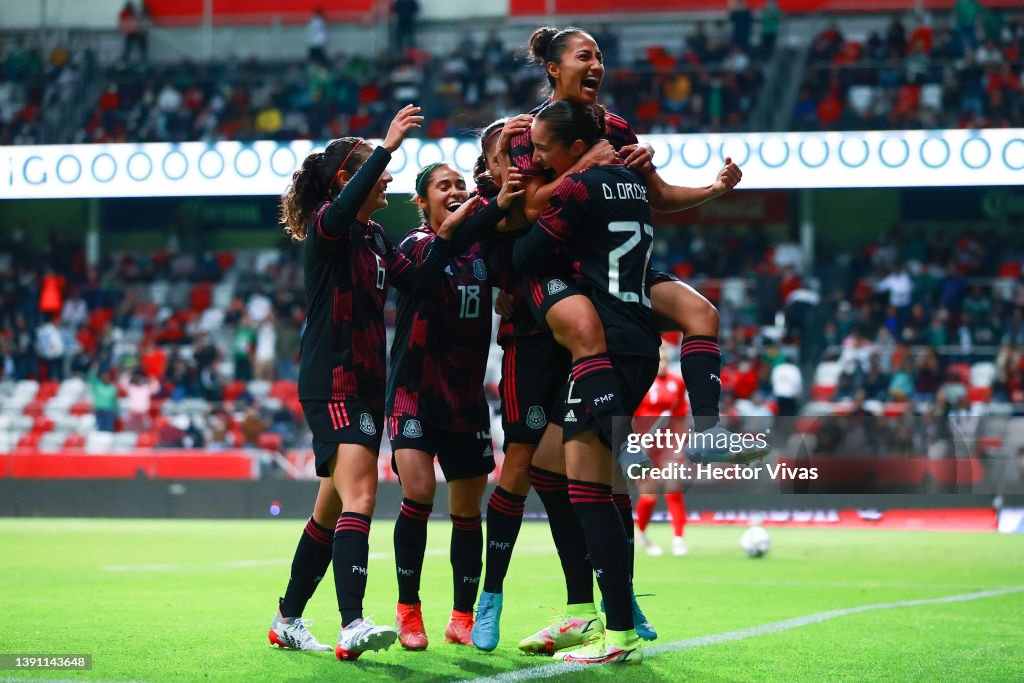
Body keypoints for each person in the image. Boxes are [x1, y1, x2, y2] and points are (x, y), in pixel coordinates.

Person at [268, 104, 484, 661]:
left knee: (327, 509)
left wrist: (450, 234)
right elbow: (339, 209)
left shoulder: (373, 239)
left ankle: (287, 617)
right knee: (361, 495)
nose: (387, 177)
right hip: (333, 381)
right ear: (348, 179)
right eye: (377, 170)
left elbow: (414, 278)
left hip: (364, 384)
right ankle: (353, 623)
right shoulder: (328, 227)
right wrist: (385, 145)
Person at [503, 26, 763, 467]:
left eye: (600, 57)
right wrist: (588, 163)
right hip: (563, 273)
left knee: (702, 313)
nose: (597, 66)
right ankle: (615, 439)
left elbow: (658, 196)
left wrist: (714, 187)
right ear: (553, 67)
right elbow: (528, 209)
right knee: (543, 463)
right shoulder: (531, 130)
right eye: (584, 57)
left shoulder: (616, 127)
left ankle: (708, 433)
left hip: (620, 267)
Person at [511, 99, 662, 665]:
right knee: (565, 472)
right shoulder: (634, 182)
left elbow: (527, 251)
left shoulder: (579, 187)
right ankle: (592, 615)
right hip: (638, 335)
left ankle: (618, 633)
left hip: (604, 347)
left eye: (547, 148)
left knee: (590, 494)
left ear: (575, 148)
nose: (540, 157)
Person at [470, 119, 600, 655]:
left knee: (573, 474)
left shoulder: (550, 186)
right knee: (520, 466)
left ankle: (594, 602)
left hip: (567, 337)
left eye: (523, 151)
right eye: (507, 154)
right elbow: (502, 223)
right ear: (490, 164)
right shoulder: (489, 197)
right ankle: (491, 596)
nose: (519, 161)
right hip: (525, 339)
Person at [388, 161, 523, 650]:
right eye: (443, 186)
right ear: (421, 202)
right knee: (419, 493)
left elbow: (508, 272)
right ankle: (408, 610)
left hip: (465, 398)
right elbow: (422, 277)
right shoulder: (414, 247)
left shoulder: (482, 250)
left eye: (460, 185)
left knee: (468, 512)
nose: (455, 191)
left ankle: (462, 616)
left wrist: (508, 294)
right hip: (414, 393)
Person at [633, 343, 690, 558]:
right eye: (659, 360)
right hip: (645, 445)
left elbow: (681, 417)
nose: (663, 364)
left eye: (665, 360)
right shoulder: (640, 383)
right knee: (649, 495)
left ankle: (678, 539)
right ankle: (642, 534)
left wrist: (680, 444)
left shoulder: (677, 383)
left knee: (673, 487)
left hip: (668, 444)